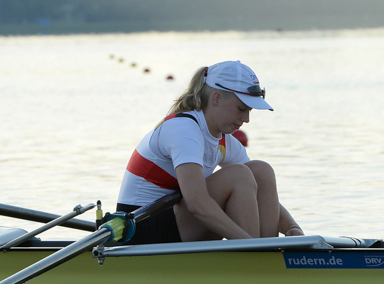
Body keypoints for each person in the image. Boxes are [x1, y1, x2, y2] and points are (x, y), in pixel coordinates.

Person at [115, 60, 303, 244]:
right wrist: (247, 241)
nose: (246, 119)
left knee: (261, 171)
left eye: (249, 111)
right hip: (138, 228)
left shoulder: (223, 139)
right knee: (239, 176)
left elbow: (259, 191)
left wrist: (291, 227)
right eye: (241, 108)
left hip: (173, 220)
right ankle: (256, 257)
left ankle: (268, 252)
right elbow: (197, 202)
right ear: (216, 98)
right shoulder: (184, 129)